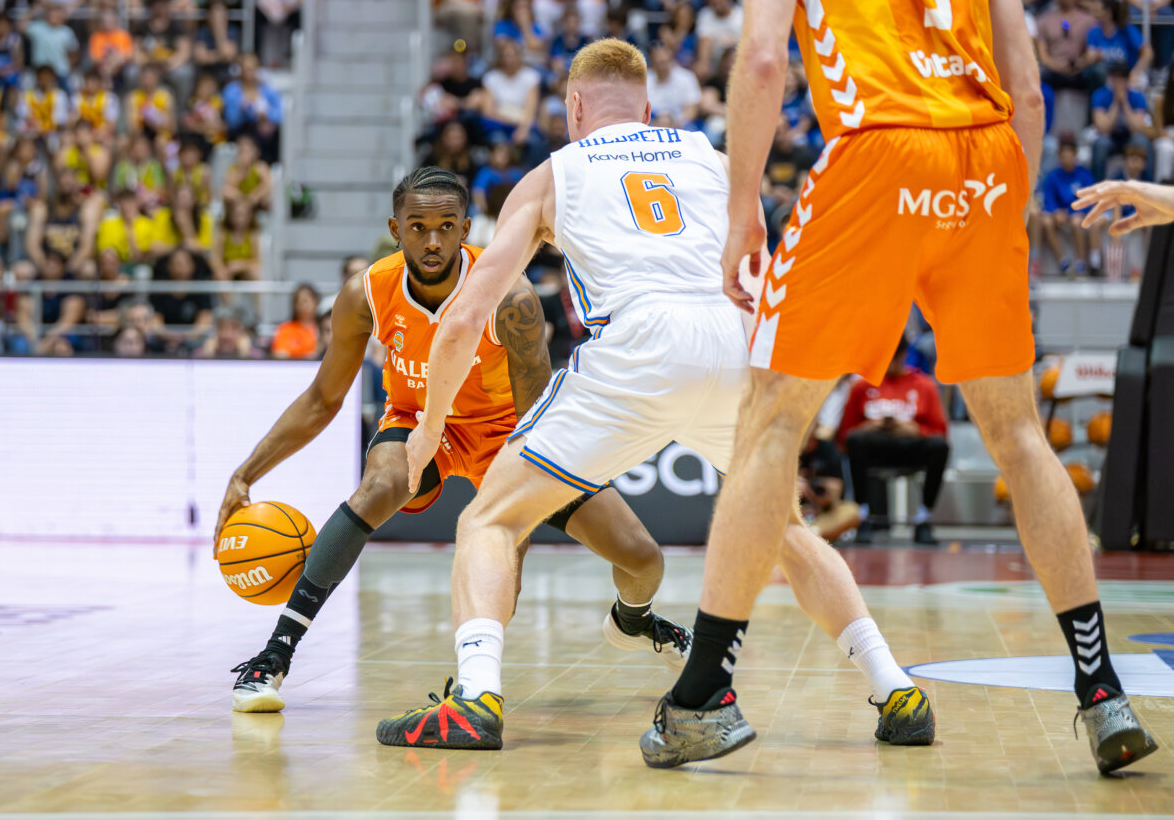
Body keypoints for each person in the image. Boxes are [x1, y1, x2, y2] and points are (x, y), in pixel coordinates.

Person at [376, 40, 927, 753]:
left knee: (489, 520)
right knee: (784, 530)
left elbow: (462, 319)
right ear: (647, 107)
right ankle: (897, 690)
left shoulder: (552, 176)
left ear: (575, 107)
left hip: (637, 342)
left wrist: (428, 430)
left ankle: (477, 699)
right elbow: (763, 275)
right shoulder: (712, 156)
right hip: (734, 342)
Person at [684, 0, 1156, 775]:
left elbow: (763, 61)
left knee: (773, 421)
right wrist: (1000, 207)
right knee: (1017, 434)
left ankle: (700, 697)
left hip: (879, 146)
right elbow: (1031, 90)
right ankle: (1103, 689)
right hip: (986, 157)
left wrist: (740, 209)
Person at [218, 166, 693, 715]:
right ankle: (275, 655)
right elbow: (323, 400)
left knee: (642, 559)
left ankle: (634, 621)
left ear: (467, 228)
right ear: (395, 229)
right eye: (418, 227)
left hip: (509, 437)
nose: (433, 240)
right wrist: (245, 474)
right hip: (420, 425)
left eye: (447, 226)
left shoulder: (511, 298)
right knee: (381, 485)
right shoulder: (366, 294)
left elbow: (536, 422)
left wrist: (514, 529)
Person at [837, 338, 948, 545]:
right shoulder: (861, 386)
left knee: (939, 447)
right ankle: (863, 515)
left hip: (910, 447)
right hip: (874, 447)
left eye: (894, 358)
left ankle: (923, 517)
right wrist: (868, 427)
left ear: (904, 355)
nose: (888, 364)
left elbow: (940, 432)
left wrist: (916, 430)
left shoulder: (924, 385)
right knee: (856, 440)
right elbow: (844, 435)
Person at [1041, 135, 1099, 275]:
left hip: (1077, 213)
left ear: (1075, 156)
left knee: (1076, 222)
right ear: (1059, 157)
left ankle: (1080, 263)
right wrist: (1055, 212)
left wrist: (1075, 211)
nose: (1067, 159)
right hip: (1060, 214)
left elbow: (1091, 199)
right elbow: (1048, 198)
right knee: (1046, 222)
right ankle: (1063, 262)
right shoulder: (1053, 176)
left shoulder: (1084, 175)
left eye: (1069, 156)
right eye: (1063, 156)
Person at [271, 283, 322, 359]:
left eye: (305, 301)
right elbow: (280, 354)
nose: (302, 305)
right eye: (298, 302)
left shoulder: (325, 328)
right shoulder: (285, 329)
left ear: (316, 302)